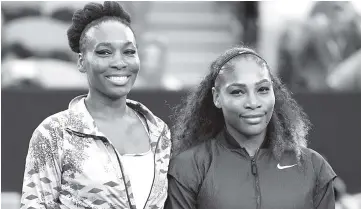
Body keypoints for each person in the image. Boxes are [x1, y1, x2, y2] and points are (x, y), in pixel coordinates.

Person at [20, 2, 171, 209]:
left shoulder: (159, 131)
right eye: (104, 52)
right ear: (82, 62)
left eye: (129, 52)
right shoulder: (54, 132)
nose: (119, 62)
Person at [165, 46, 337, 209]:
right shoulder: (188, 168)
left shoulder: (314, 167)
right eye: (237, 92)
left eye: (262, 89)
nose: (253, 103)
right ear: (217, 97)